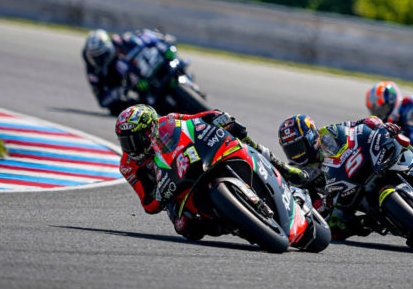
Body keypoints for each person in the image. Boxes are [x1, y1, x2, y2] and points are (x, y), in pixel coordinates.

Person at [115, 103, 309, 241]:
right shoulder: (128, 166)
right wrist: (160, 193)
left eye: (135, 139)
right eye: (125, 141)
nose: (131, 147)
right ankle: (238, 226)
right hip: (175, 194)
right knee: (185, 227)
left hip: (194, 161)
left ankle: (281, 168)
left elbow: (196, 119)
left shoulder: (170, 120)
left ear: (151, 130)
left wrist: (217, 116)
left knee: (240, 137)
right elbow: (147, 204)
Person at [276, 113, 413, 240]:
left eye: (298, 147)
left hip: (365, 168)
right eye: (291, 150)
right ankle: (373, 224)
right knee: (336, 229)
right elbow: (310, 204)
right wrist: (324, 206)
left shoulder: (330, 132)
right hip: (347, 199)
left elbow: (360, 125)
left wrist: (379, 125)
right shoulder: (300, 171)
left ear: (310, 137)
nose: (296, 155)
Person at [83, 28, 182, 115]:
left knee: (173, 58)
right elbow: (103, 101)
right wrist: (124, 88)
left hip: (153, 67)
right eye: (96, 57)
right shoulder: (93, 70)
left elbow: (145, 34)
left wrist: (163, 43)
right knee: (119, 109)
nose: (100, 60)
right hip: (139, 90)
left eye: (102, 55)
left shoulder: (122, 41)